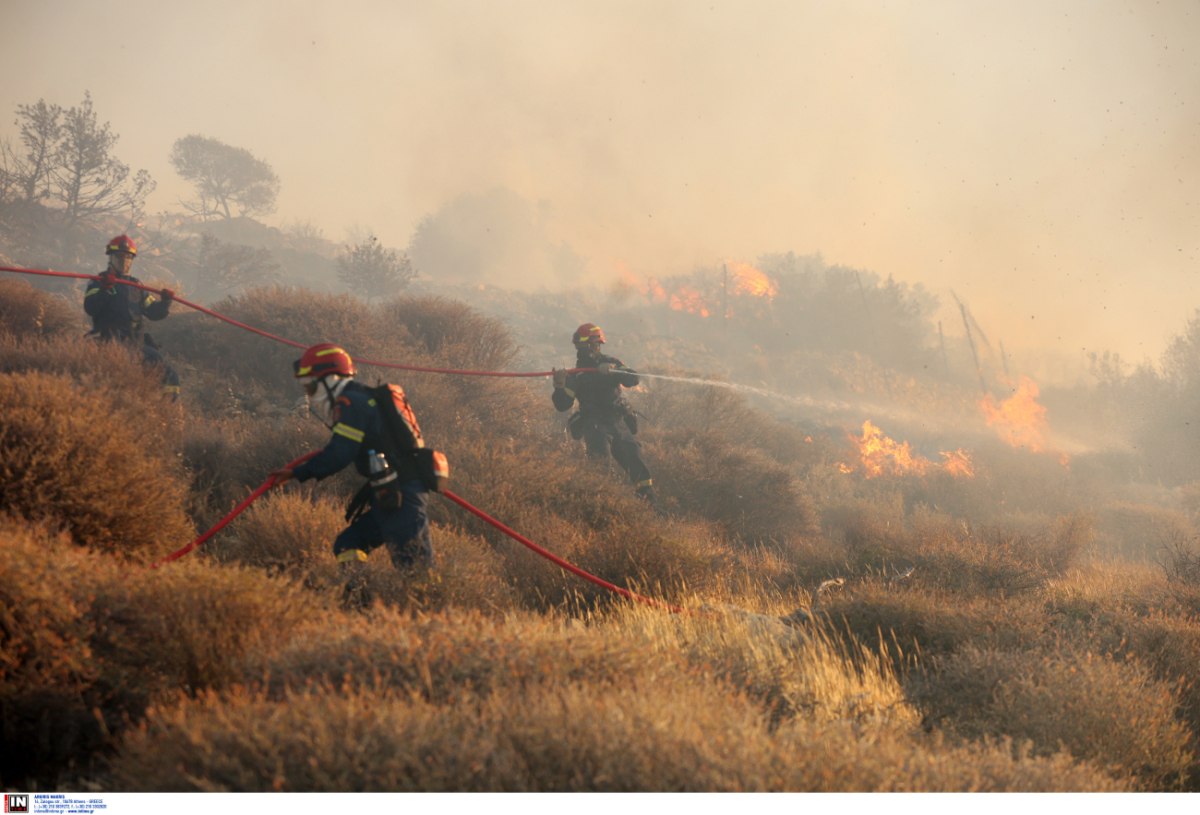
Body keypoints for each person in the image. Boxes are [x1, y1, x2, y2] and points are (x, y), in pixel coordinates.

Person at [270, 343, 434, 607]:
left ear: (329, 380)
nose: (310, 394)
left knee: (415, 569)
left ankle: (431, 621)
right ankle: (361, 605)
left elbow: (339, 454)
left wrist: (296, 473)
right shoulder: (356, 399)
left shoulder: (351, 403)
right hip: (388, 494)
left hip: (402, 493)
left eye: (311, 386)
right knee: (348, 544)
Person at [552, 322, 657, 503]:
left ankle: (648, 503)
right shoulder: (575, 375)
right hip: (594, 424)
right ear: (583, 346)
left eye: (597, 344)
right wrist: (559, 387)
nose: (595, 348)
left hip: (617, 421)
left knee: (636, 462)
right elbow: (563, 405)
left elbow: (633, 379)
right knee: (599, 464)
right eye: (593, 344)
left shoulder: (612, 363)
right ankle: (600, 502)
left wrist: (613, 371)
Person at [83, 234, 180, 399]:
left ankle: (166, 411)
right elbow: (91, 308)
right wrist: (105, 289)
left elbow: (153, 312)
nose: (124, 261)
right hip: (107, 340)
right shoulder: (98, 282)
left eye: (128, 258)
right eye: (120, 257)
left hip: (134, 342)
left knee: (169, 374)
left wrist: (165, 302)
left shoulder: (136, 287)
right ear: (111, 258)